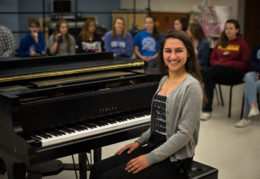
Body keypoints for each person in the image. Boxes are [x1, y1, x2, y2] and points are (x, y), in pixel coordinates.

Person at [89, 30, 204, 179]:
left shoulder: (192, 86)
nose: (173, 56)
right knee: (98, 169)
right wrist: (139, 142)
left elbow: (184, 135)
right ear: (162, 53)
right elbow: (158, 123)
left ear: (188, 53)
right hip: (153, 147)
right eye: (168, 51)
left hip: (175, 161)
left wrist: (148, 159)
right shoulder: (164, 80)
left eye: (179, 51)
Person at [201, 19, 250, 120]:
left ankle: (197, 81)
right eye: (226, 28)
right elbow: (212, 59)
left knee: (211, 72)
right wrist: (220, 64)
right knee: (209, 79)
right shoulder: (220, 42)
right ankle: (207, 110)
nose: (228, 31)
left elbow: (245, 64)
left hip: (235, 75)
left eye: (231, 28)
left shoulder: (242, 44)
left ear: (237, 30)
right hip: (218, 72)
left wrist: (228, 63)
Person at [235, 44, 260, 127]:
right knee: (248, 76)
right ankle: (253, 107)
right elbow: (252, 60)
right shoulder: (258, 47)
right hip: (256, 73)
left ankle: (246, 118)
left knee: (248, 89)